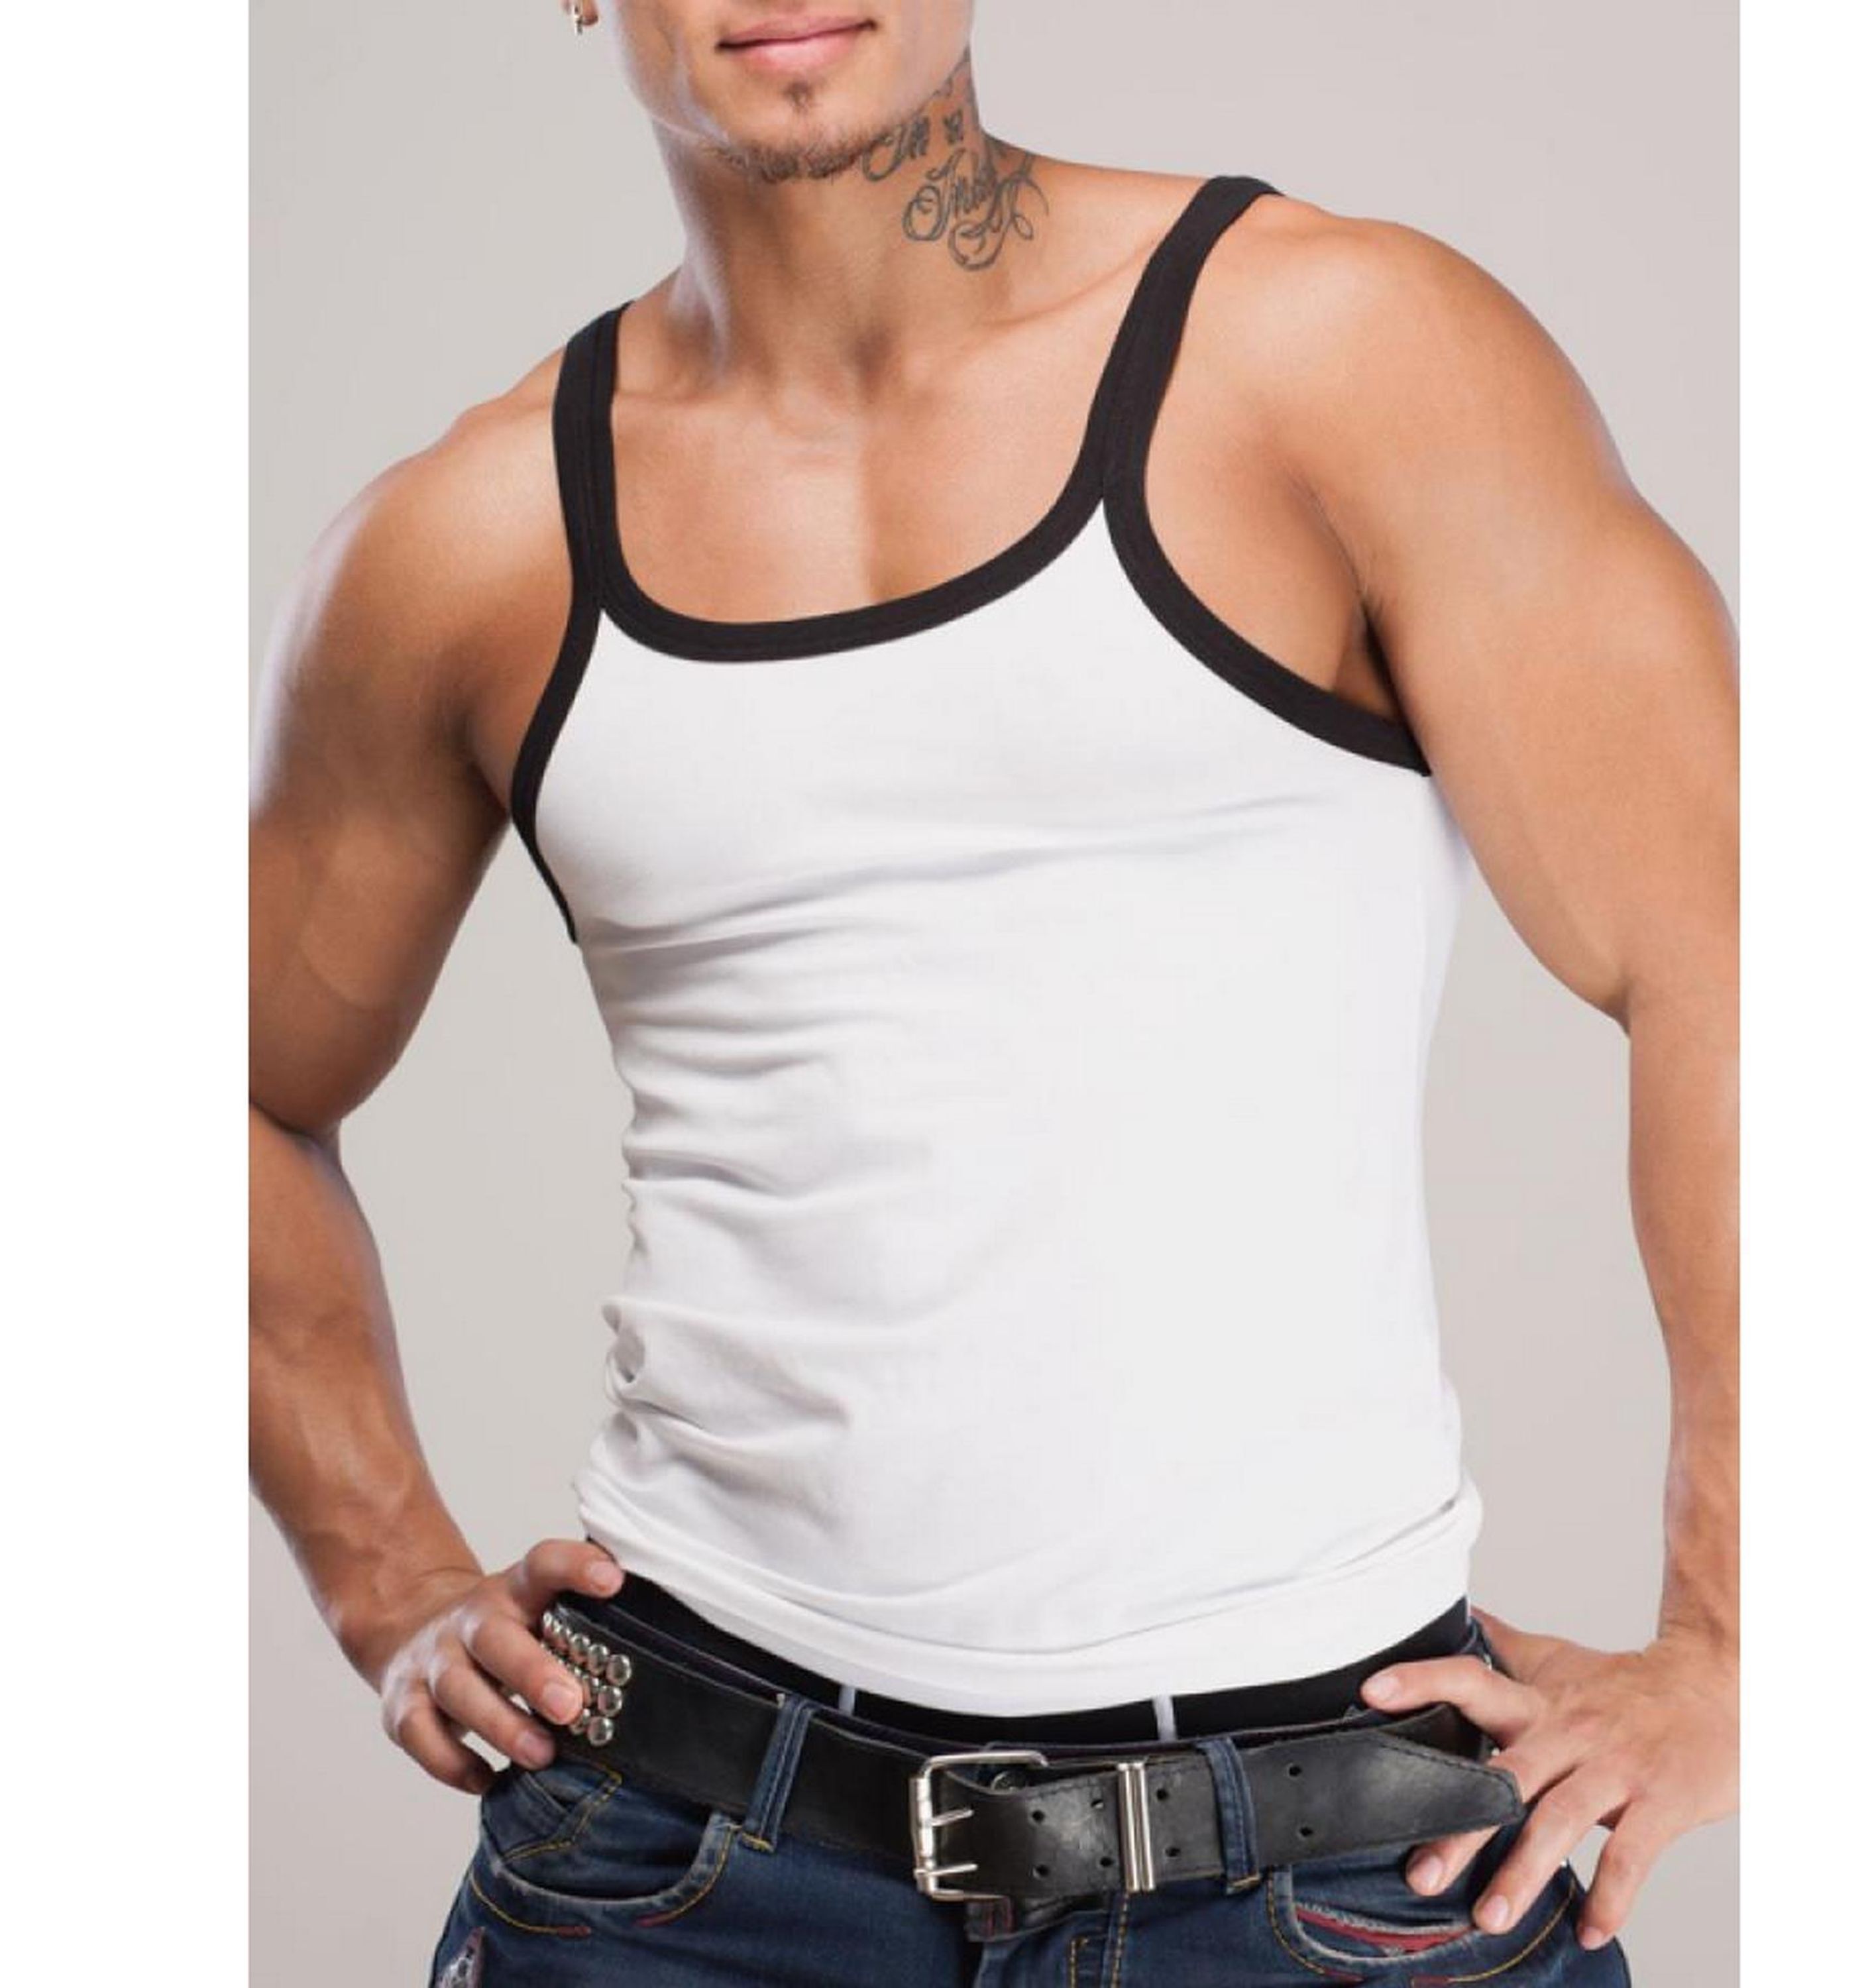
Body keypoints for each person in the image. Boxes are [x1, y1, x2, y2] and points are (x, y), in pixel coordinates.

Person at [249, 4, 1737, 1981]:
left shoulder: (1337, 356)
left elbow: (1737, 950)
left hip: (1321, 1862)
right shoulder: (469, 541)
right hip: (687, 1858)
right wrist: (387, 1583)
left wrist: (1737, 1640)